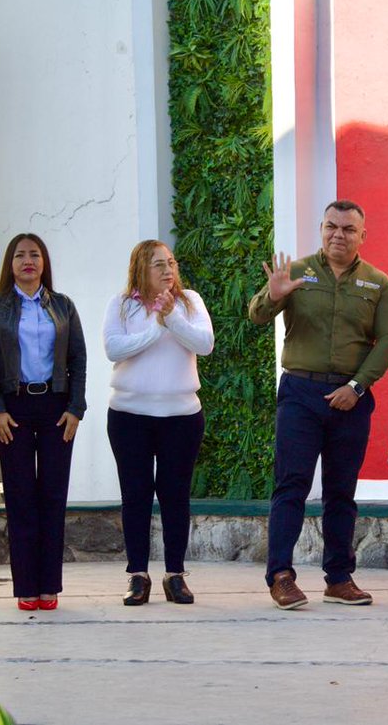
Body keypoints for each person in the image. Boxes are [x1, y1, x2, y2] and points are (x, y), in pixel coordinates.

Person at [248, 199, 388, 609]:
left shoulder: (378, 283)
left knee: (341, 492)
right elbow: (257, 314)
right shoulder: (297, 271)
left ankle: (338, 578)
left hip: (351, 398)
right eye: (331, 226)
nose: (339, 234)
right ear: (321, 229)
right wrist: (272, 297)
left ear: (362, 236)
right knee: (291, 486)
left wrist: (358, 386)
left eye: (349, 229)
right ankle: (280, 575)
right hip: (300, 393)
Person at [102, 240, 215, 605]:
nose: (168, 270)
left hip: (181, 418)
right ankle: (138, 575)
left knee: (175, 496)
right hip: (129, 416)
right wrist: (157, 325)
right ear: (140, 269)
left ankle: (175, 575)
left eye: (170, 263)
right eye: (157, 265)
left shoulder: (189, 302)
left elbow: (205, 344)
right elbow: (114, 349)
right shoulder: (120, 306)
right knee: (135, 495)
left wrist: (173, 318)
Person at [0, 233, 86, 611]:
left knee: (53, 496)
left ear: (44, 262)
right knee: (21, 497)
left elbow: (78, 360)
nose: (28, 260)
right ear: (10, 263)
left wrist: (75, 408)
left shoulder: (63, 306)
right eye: (20, 255)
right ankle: (26, 585)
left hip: (56, 407)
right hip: (14, 408)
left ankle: (49, 586)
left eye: (35, 254)